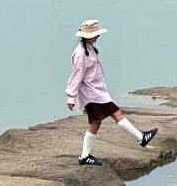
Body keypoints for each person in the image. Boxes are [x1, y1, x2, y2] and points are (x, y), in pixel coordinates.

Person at [66, 19, 158, 165]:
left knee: (95, 124)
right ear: (88, 36)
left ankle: (84, 156)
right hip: (92, 94)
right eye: (96, 34)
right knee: (116, 113)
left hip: (96, 92)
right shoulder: (81, 53)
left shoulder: (89, 48)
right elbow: (76, 75)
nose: (98, 36)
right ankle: (141, 137)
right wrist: (71, 97)